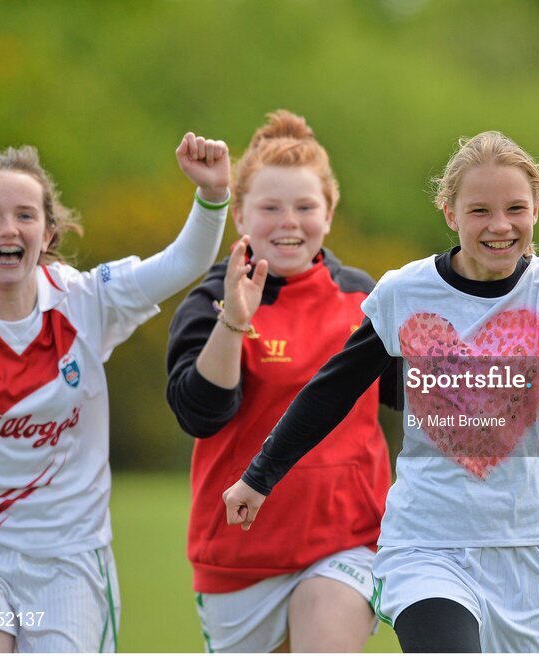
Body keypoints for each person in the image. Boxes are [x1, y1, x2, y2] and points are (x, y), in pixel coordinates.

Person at [221, 97, 539, 653]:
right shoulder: (405, 292)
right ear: (450, 214)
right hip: (427, 545)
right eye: (479, 211)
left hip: (530, 548)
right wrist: (260, 475)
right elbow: (335, 388)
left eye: (515, 208)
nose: (500, 226)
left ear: (537, 209)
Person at [0, 134, 230, 652]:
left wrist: (212, 196)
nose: (8, 228)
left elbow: (183, 263)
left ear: (47, 232)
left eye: (25, 215)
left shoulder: (86, 300)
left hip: (70, 563)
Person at [165, 110, 396, 653]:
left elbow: (418, 398)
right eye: (269, 207)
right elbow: (201, 413)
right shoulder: (209, 300)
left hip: (348, 540)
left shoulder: (365, 298)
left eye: (305, 206)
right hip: (238, 551)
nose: (288, 221)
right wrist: (233, 321)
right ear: (240, 214)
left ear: (329, 214)